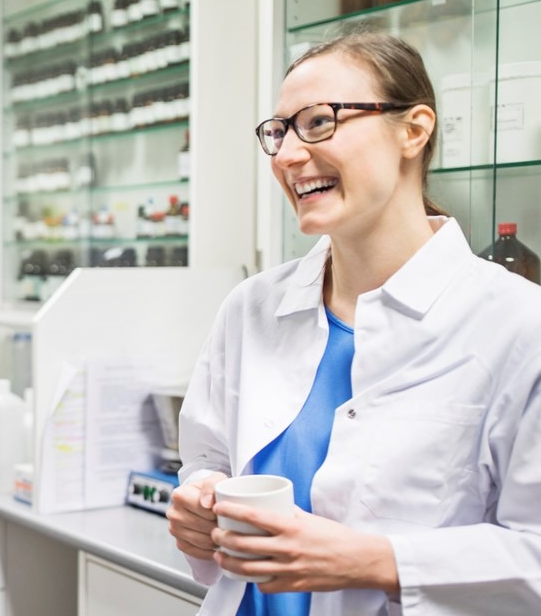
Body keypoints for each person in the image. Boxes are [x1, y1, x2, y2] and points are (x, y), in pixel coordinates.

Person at [167, 32, 541, 615]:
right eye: (280, 131)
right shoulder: (252, 308)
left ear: (413, 130)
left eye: (319, 122)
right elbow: (208, 462)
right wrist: (196, 507)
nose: (288, 155)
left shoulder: (518, 326)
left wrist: (373, 562)